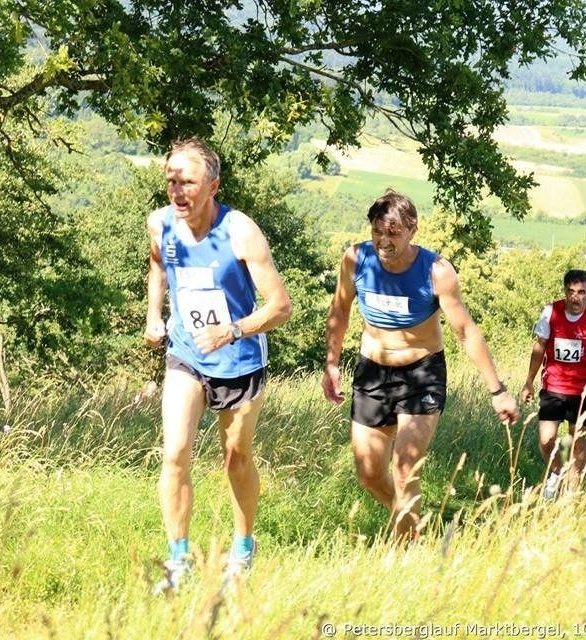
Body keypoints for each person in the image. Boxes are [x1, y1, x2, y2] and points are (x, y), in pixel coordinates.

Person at [321, 189, 519, 541]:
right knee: (368, 474)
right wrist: (332, 363)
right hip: (372, 372)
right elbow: (339, 309)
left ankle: (404, 549)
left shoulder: (436, 271)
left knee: (404, 467)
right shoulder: (356, 259)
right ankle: (412, 525)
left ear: (412, 229)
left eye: (393, 232)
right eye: (377, 231)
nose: (384, 240)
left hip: (421, 374)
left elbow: (465, 330)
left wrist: (498, 390)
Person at [144, 138, 292, 592]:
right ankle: (179, 562)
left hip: (240, 359)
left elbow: (281, 306)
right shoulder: (160, 224)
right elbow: (159, 268)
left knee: (235, 459)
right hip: (186, 354)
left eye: (187, 182)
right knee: (174, 454)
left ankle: (243, 549)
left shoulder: (240, 231)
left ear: (213, 186)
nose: (177, 190)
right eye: (171, 181)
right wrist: (154, 314)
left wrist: (232, 331)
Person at [520, 269, 586, 499]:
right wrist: (529, 381)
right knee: (546, 438)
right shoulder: (551, 312)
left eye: (581, 292)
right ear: (565, 291)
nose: (576, 297)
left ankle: (573, 488)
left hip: (583, 390)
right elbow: (539, 346)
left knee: (577, 437)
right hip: (553, 386)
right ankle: (558, 472)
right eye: (571, 291)